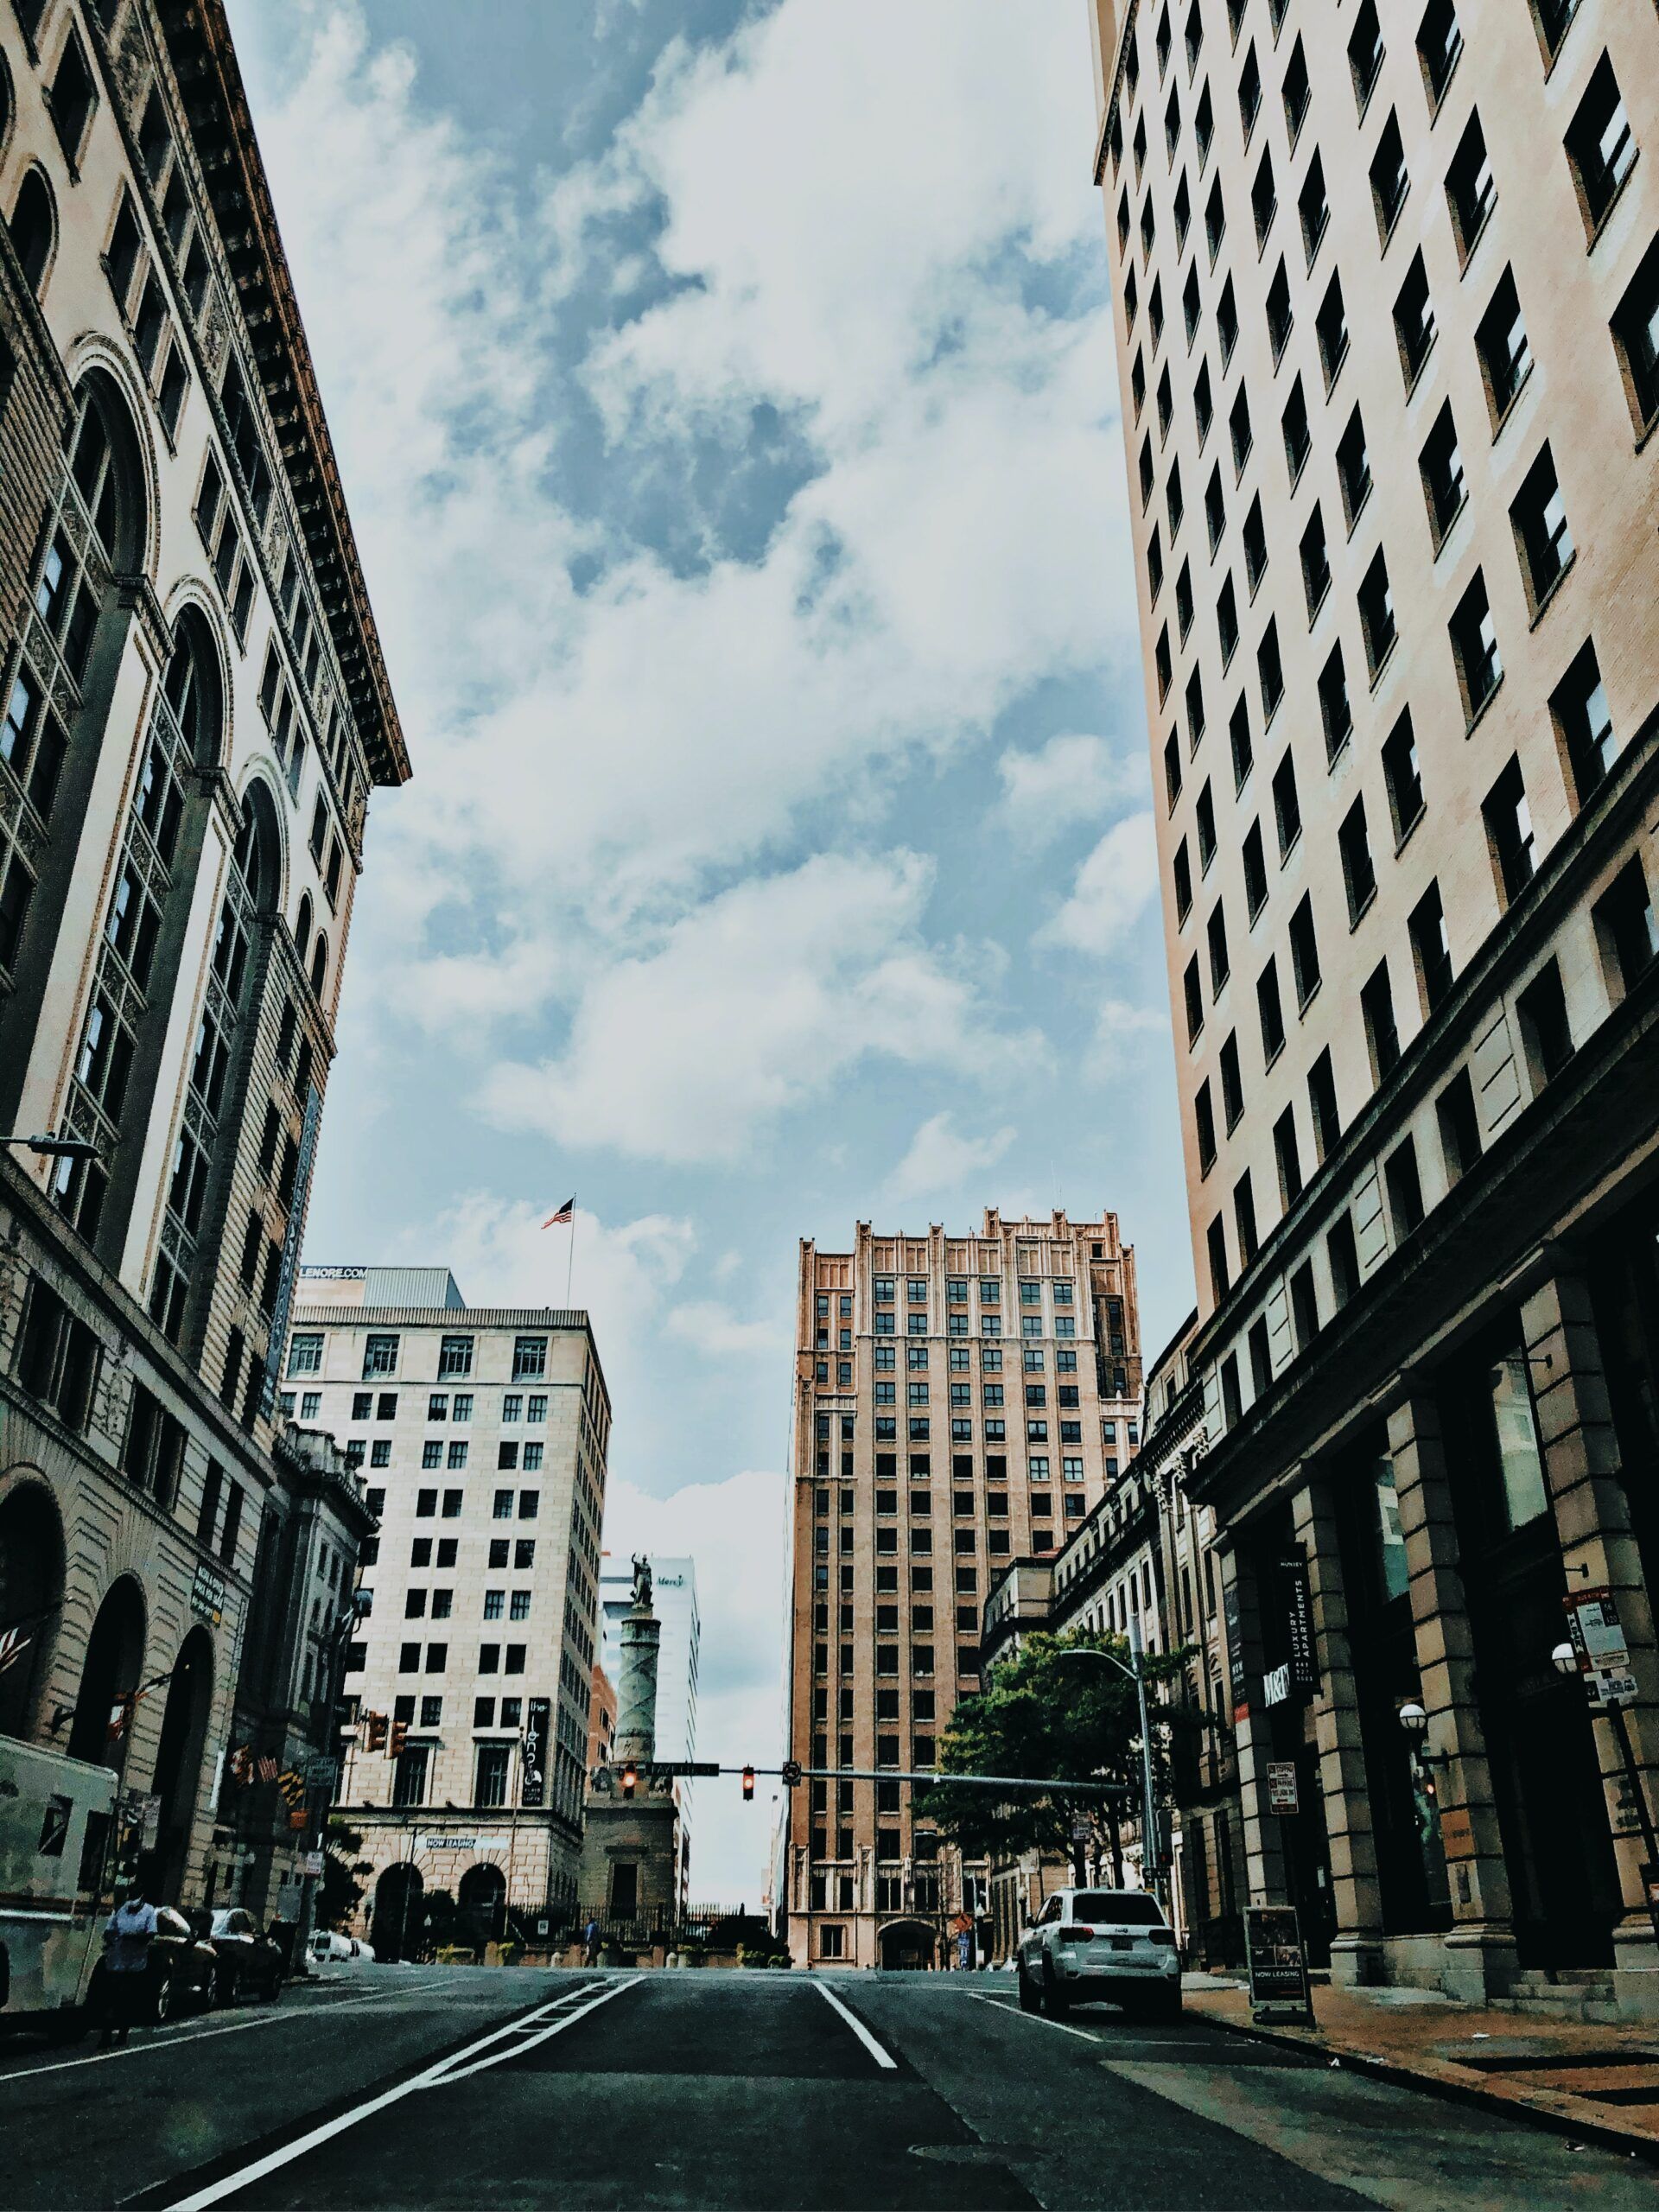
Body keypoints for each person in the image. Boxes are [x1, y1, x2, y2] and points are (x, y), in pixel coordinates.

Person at [100, 1879, 160, 2045]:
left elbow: (150, 1934)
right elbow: (109, 1930)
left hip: (136, 1963)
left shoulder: (149, 1911)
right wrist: (112, 1939)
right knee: (112, 1998)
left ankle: (122, 2034)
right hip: (117, 1961)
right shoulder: (121, 1909)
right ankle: (106, 2035)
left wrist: (133, 1938)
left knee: (128, 1999)